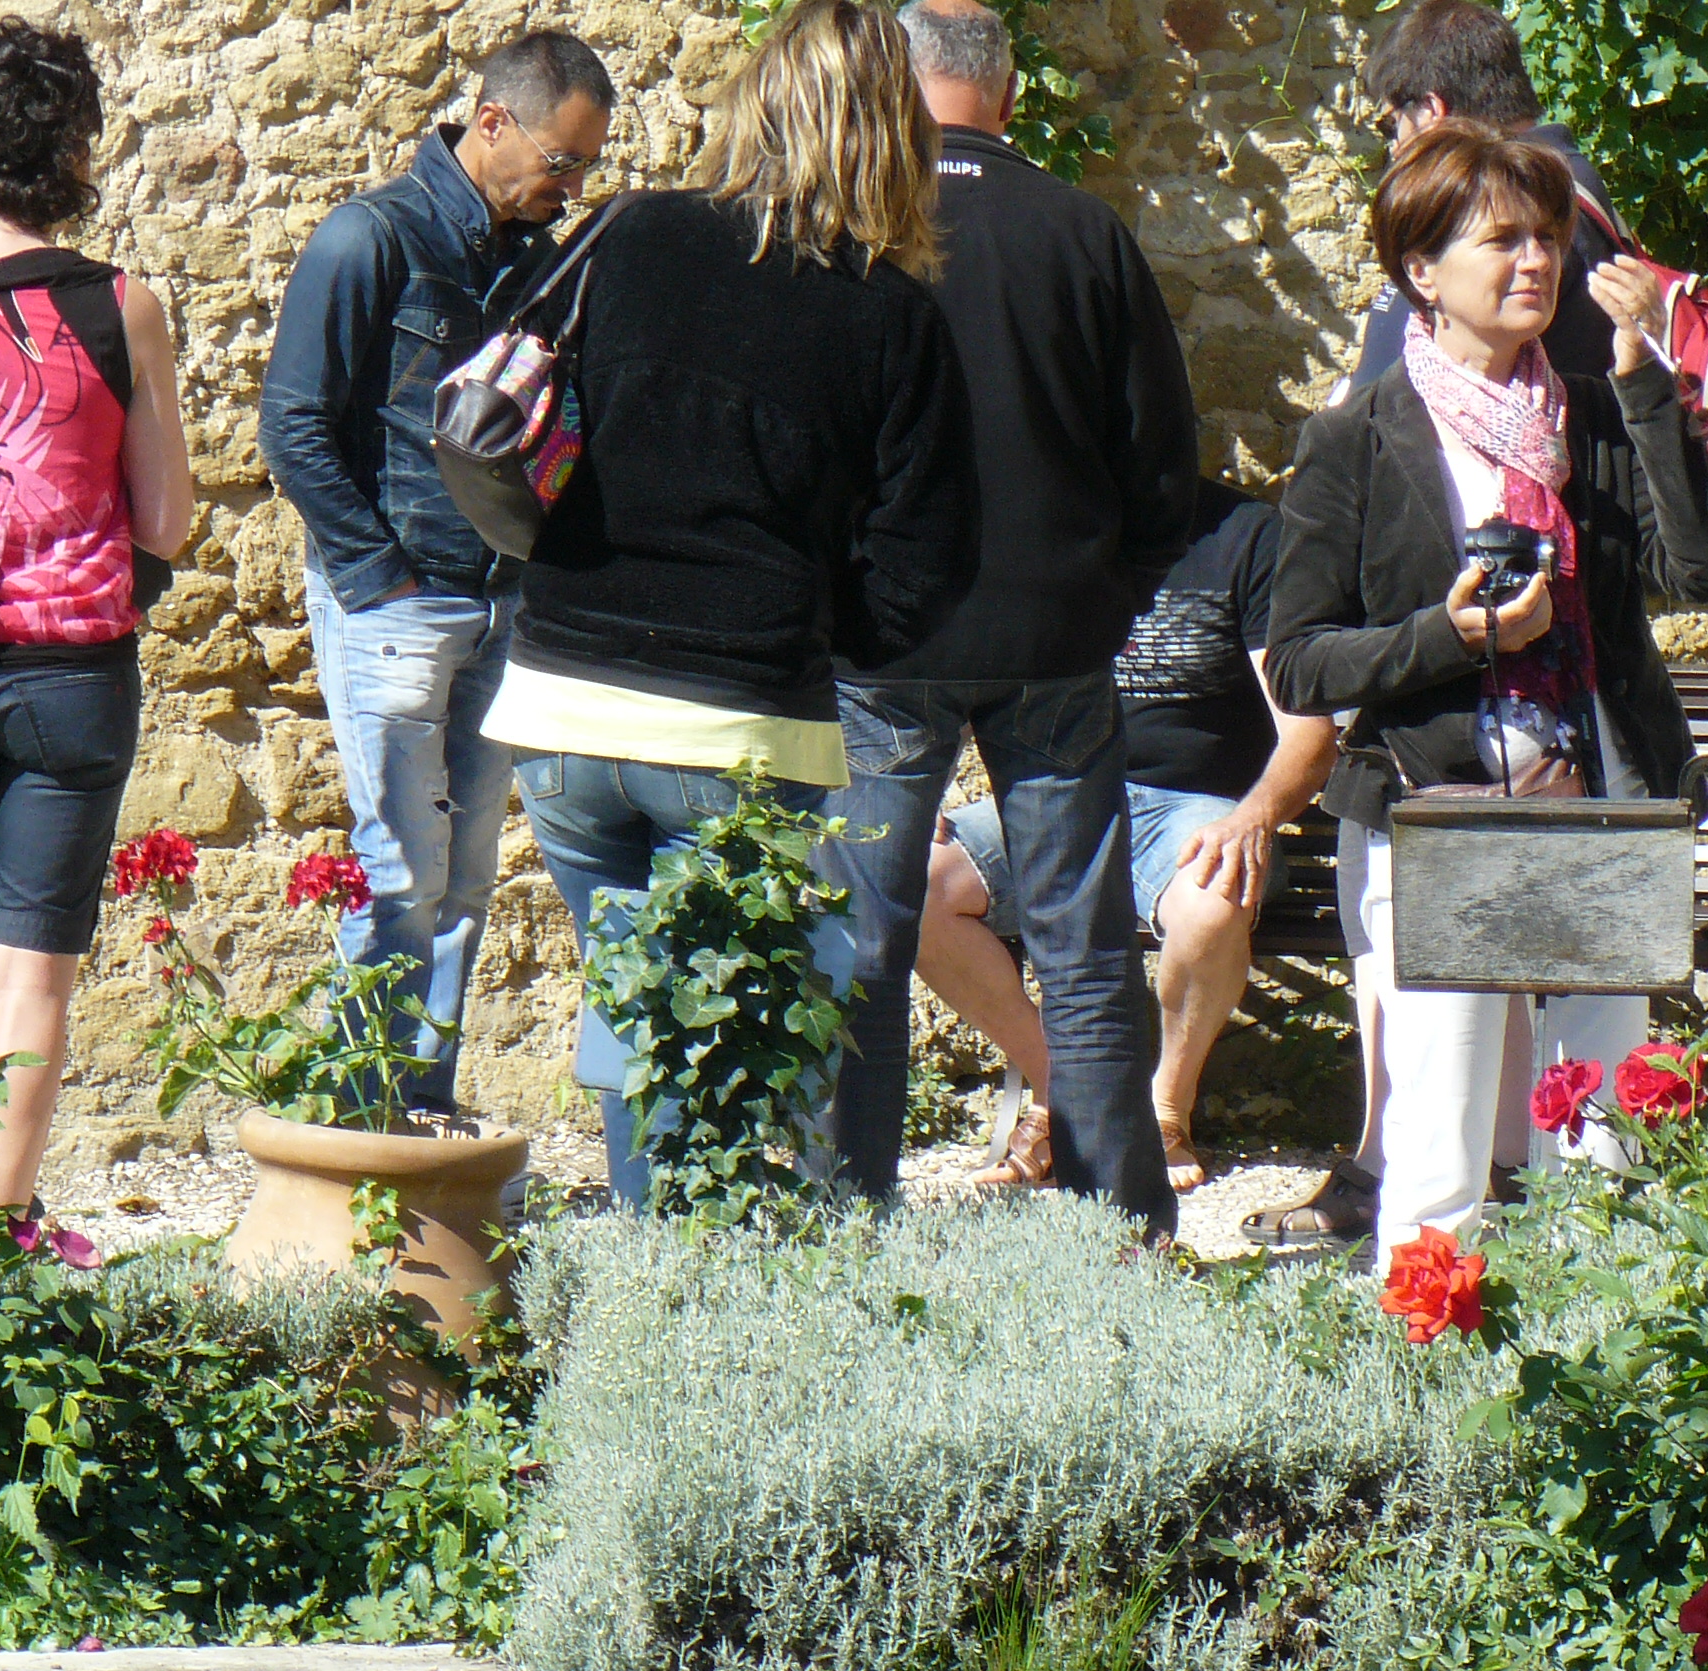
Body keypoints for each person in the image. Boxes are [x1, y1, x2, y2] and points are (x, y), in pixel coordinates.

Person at [476, 0, 973, 1208]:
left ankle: (647, 1265)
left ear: (757, 104)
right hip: (738, 722)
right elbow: (925, 562)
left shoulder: (631, 230)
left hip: (560, 703)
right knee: (735, 1043)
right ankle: (701, 1287)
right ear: (889, 132)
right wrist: (822, 635)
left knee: (635, 1014)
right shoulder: (891, 310)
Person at [1267, 120, 1708, 1273]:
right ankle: (1427, 1349)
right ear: (1421, 272)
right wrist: (1451, 636)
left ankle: (1598, 1344)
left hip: (1601, 801)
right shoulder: (1356, 441)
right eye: (1501, 241)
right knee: (1441, 1137)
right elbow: (1301, 663)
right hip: (1441, 809)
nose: (1536, 262)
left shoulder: (1594, 415)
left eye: (1547, 239)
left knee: (1606, 1133)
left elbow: (1706, 571)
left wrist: (1645, 379)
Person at [822, 0, 1201, 1238]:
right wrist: (1109, 594)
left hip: (887, 639)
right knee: (1086, 951)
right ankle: (1120, 1232)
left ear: (893, 89)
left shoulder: (854, 228)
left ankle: (848, 1230)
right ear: (1012, 94)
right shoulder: (1084, 232)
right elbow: (1163, 462)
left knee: (867, 941)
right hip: (1055, 637)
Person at [259, 31, 614, 1117]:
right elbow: (293, 427)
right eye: (561, 161)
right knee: (400, 871)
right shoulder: (369, 237)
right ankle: (360, 1121)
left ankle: (420, 1109)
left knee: (464, 878)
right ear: (492, 122)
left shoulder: (540, 258)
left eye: (586, 168)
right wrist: (381, 581)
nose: (571, 187)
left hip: (504, 608)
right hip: (399, 606)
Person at [0, 18, 192, 1210]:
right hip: (70, 678)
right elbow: (165, 522)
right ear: (70, 150)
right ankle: (3, 1231)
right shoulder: (121, 303)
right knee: (33, 980)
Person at [917, 479, 1336, 1191]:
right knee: (914, 884)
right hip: (1055, 795)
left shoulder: (1246, 536)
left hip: (1199, 809)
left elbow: (1309, 731)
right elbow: (969, 671)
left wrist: (1254, 816)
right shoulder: (1040, 524)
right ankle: (1069, 1098)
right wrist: (924, 785)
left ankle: (1164, 1111)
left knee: (1211, 901)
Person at [1347, 0, 1622, 387]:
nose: (1394, 148)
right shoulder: (1554, 187)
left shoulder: (1529, 195)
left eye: (1392, 124)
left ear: (1431, 110)